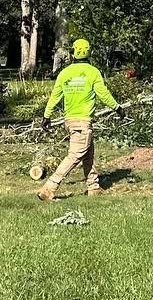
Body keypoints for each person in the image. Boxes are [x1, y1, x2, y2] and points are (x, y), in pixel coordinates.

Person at [37, 38, 118, 202]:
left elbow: (55, 96)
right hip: (83, 121)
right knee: (75, 155)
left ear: (73, 53)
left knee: (88, 153)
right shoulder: (93, 72)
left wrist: (47, 116)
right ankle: (49, 187)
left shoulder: (64, 73)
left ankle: (93, 187)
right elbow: (103, 94)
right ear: (90, 52)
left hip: (70, 120)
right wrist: (117, 107)